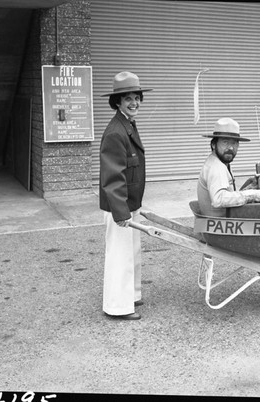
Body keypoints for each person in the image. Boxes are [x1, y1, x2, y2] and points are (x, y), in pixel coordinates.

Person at [99, 71, 152, 320]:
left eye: (136, 97)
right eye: (127, 98)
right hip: (119, 206)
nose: (134, 102)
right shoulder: (115, 132)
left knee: (132, 253)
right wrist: (120, 213)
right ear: (117, 102)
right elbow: (112, 178)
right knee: (120, 257)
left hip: (131, 202)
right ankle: (117, 308)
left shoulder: (128, 124)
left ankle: (131, 295)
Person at [197, 117, 260, 217]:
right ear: (213, 144)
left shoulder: (220, 161)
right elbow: (218, 200)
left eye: (234, 143)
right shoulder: (216, 167)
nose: (230, 147)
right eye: (225, 142)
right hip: (224, 221)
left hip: (226, 212)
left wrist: (252, 187)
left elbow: (228, 194)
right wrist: (251, 195)